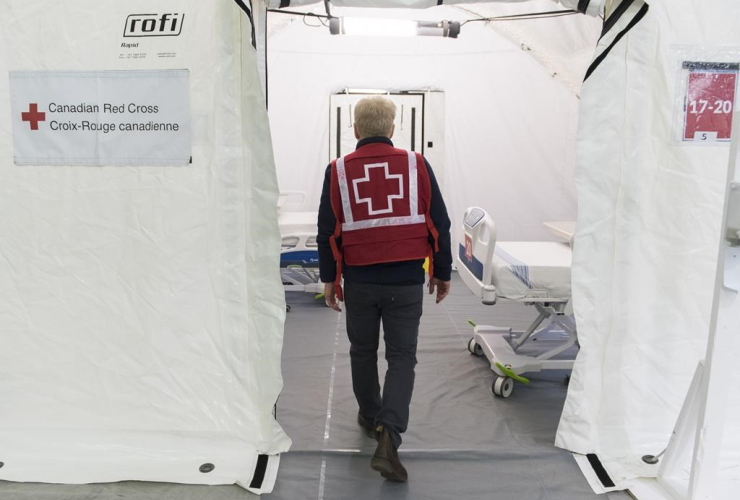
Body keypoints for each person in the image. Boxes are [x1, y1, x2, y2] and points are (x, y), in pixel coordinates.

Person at [317, 96, 452, 482]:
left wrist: (330, 279)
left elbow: (326, 230)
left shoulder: (338, 171)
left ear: (355, 130)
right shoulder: (416, 164)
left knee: (362, 351)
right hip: (407, 281)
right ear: (393, 129)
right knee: (401, 357)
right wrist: (441, 273)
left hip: (359, 281)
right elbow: (438, 222)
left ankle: (369, 414)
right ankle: (389, 436)